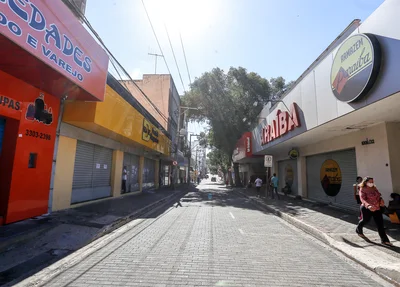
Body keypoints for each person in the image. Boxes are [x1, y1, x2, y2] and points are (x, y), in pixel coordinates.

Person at [356, 177, 392, 246]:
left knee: (380, 224)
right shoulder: (362, 189)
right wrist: (368, 206)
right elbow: (362, 199)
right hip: (367, 208)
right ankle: (359, 228)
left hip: (377, 208)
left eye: (372, 181)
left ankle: (385, 240)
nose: (371, 183)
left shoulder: (374, 188)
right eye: (370, 182)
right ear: (365, 182)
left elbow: (378, 195)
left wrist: (381, 200)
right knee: (365, 220)